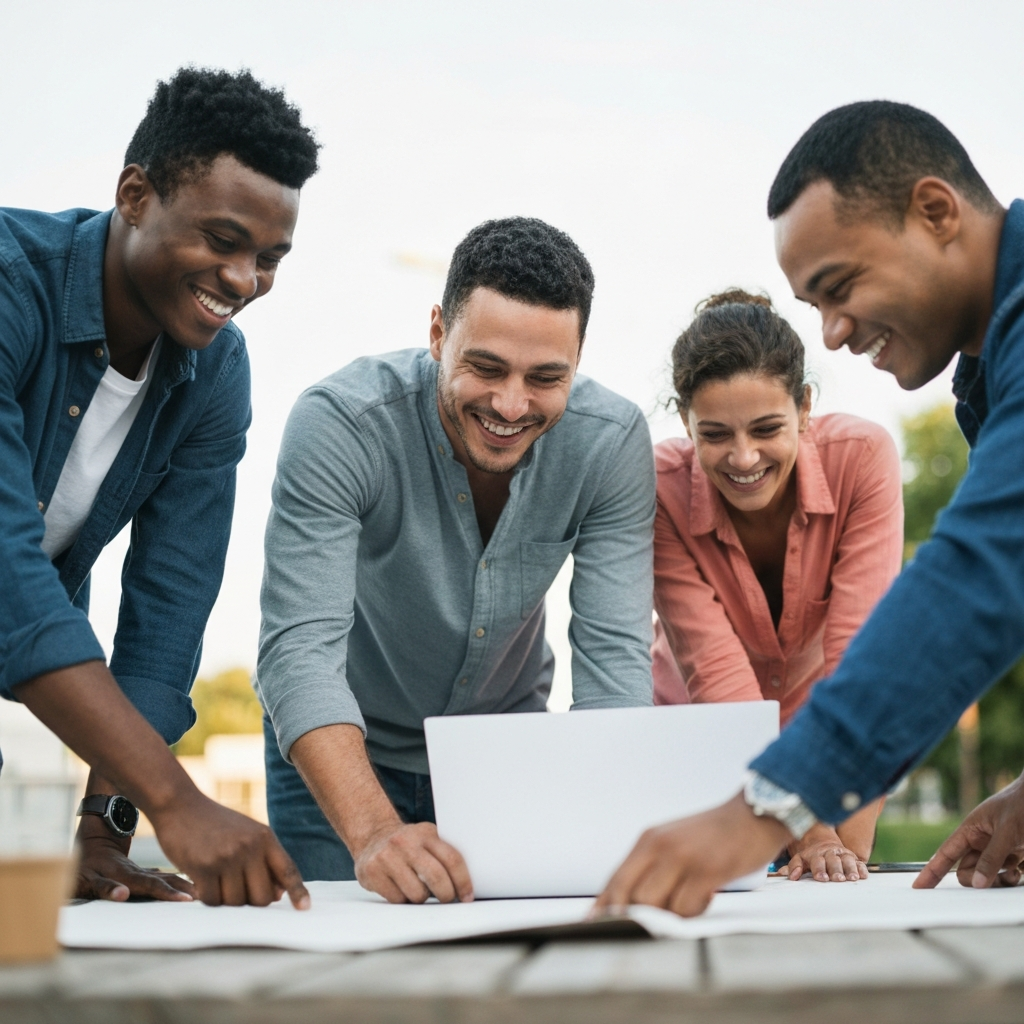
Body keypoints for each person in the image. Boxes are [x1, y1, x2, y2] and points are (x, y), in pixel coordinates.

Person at [595, 100, 1024, 917]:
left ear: (935, 212)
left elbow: (983, 577)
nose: (829, 333)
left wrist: (767, 807)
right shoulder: (991, 375)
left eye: (840, 286)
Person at [257, 216, 656, 902]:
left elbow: (614, 663)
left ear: (579, 359)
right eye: (486, 367)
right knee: (339, 978)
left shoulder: (610, 444)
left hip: (505, 763)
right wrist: (375, 830)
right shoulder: (340, 424)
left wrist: (610, 822)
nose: (510, 404)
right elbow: (297, 652)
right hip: (341, 758)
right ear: (439, 333)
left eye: (545, 378)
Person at [0, 67, 320, 908]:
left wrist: (107, 830)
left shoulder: (214, 374)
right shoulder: (8, 287)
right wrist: (177, 802)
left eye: (269, 259)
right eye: (222, 240)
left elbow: (168, 610)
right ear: (135, 196)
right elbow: (9, 579)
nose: (245, 280)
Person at [651, 289, 902, 883]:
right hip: (696, 742)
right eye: (714, 434)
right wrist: (808, 830)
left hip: (826, 745)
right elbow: (715, 674)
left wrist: (844, 841)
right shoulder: (657, 487)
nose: (743, 458)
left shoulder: (861, 459)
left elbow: (860, 668)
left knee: (837, 886)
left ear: (805, 407)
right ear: (685, 419)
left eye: (767, 428)